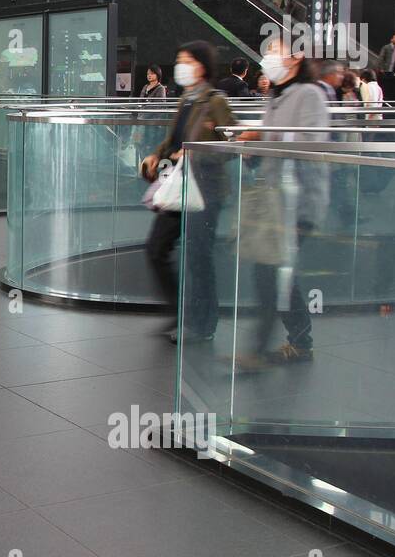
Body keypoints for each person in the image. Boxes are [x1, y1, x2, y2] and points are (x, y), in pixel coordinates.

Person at [234, 37, 330, 371]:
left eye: (274, 52)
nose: (267, 59)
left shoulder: (309, 95)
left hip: (299, 201)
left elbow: (310, 142)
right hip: (277, 199)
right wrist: (253, 146)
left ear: (295, 58)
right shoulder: (275, 97)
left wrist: (261, 136)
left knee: (271, 271)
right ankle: (299, 342)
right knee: (277, 271)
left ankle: (259, 350)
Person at [141, 41, 237, 343]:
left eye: (185, 60)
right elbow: (174, 140)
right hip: (178, 186)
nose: (179, 66)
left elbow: (230, 146)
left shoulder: (215, 101)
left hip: (205, 192)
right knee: (156, 248)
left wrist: (196, 153)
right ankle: (180, 311)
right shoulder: (186, 99)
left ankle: (202, 325)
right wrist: (157, 155)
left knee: (199, 256)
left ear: (200, 65)